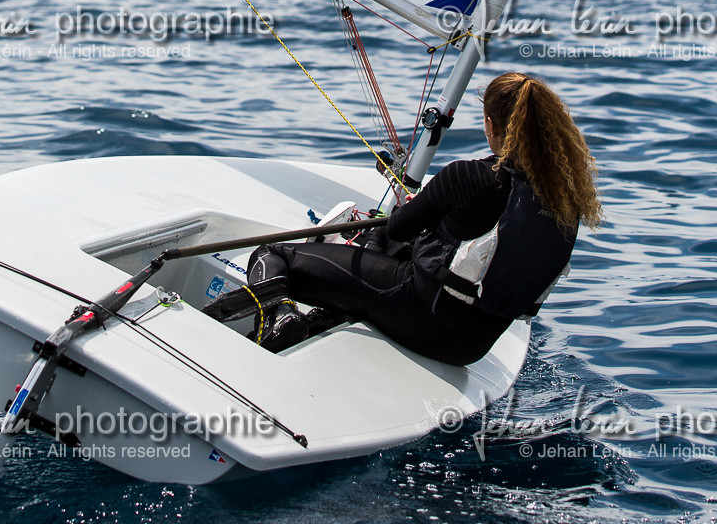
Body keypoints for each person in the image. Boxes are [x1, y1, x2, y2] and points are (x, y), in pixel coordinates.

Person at [205, 71, 602, 361]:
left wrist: (415, 202)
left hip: (423, 319)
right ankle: (332, 316)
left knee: (274, 254)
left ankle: (282, 318)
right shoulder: (564, 203)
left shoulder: (469, 175)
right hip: (472, 349)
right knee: (395, 256)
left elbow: (399, 226)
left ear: (491, 125)